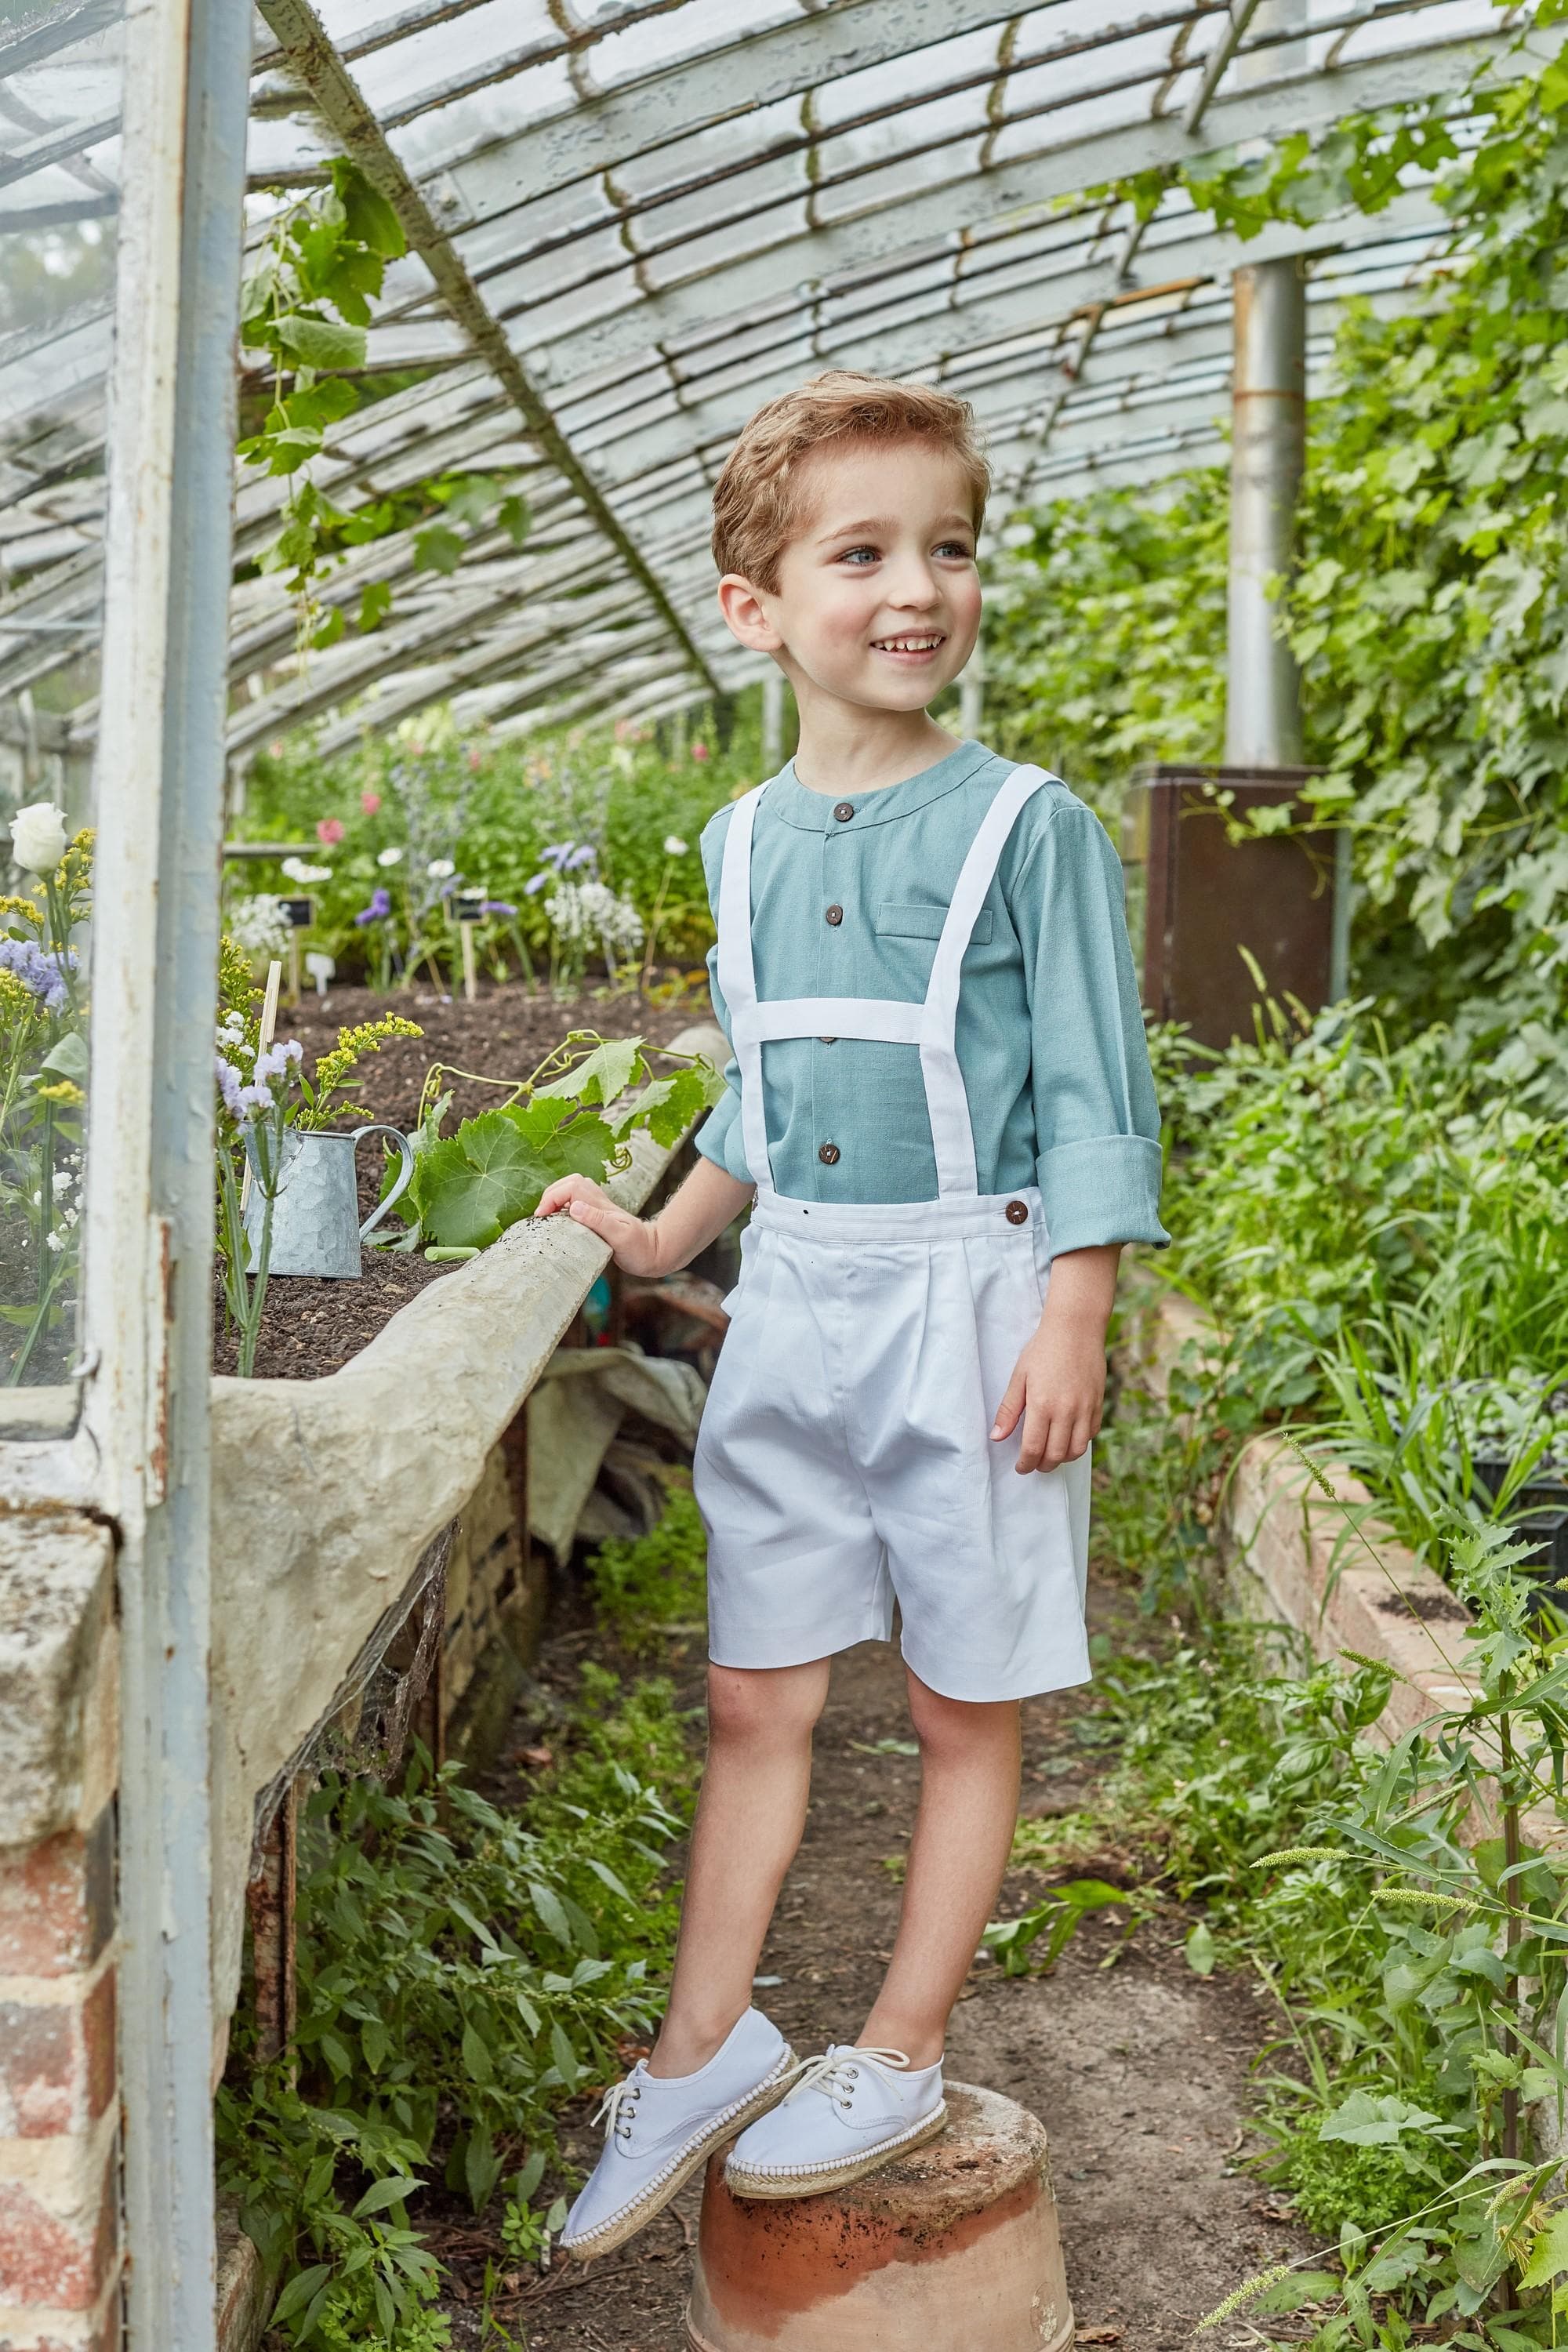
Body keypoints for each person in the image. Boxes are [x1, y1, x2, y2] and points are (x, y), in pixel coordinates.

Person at [539, 372, 1167, 2259]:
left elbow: (1093, 1088)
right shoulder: (740, 843)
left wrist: (1074, 1308)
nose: (919, 589)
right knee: (754, 1692)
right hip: (796, 1292)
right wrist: (665, 1247)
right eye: (864, 553)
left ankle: (895, 2048)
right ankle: (710, 2043)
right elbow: (760, 1092)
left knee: (961, 1703)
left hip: (969, 1298)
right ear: (756, 606)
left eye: (948, 549)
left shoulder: (1026, 827)